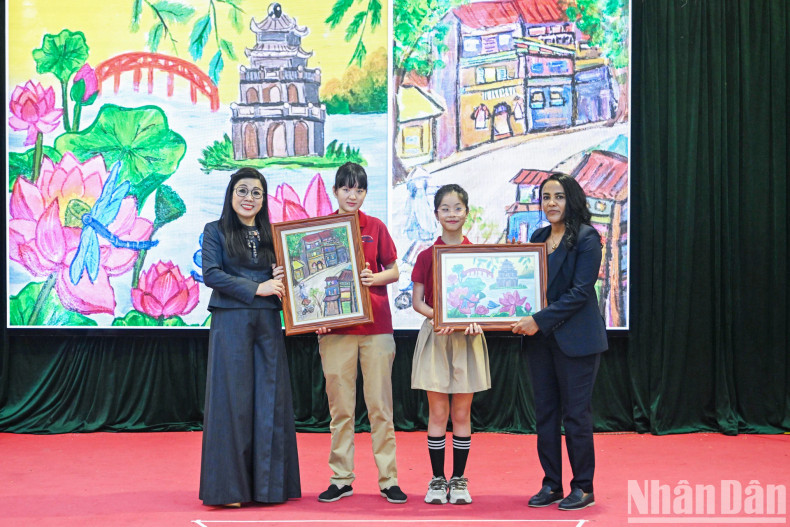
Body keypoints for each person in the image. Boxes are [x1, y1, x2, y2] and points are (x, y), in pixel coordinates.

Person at [199, 167, 301, 507]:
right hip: (231, 322)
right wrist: (257, 287)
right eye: (242, 191)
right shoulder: (214, 231)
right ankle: (229, 491)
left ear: (263, 199)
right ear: (231, 195)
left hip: (268, 323)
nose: (249, 198)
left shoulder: (273, 235)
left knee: (269, 400)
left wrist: (282, 275)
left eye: (256, 193)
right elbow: (212, 274)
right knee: (232, 403)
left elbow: (285, 279)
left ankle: (269, 489)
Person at [510, 173, 608, 511]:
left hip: (577, 341)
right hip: (541, 342)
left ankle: (583, 486)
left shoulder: (587, 238)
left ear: (573, 200)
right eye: (546, 197)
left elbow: (580, 293)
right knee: (546, 416)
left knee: (576, 416)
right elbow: (528, 287)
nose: (551, 203)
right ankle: (551, 483)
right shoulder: (538, 236)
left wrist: (537, 320)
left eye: (559, 197)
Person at [315, 162, 407, 504]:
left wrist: (375, 279)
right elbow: (306, 285)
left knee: (381, 407)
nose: (352, 195)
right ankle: (341, 478)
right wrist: (313, 318)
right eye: (346, 188)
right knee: (341, 410)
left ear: (365, 193)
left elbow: (395, 269)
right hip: (335, 331)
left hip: (376, 328)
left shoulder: (376, 227)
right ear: (335, 191)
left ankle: (389, 479)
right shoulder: (321, 229)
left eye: (359, 189)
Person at [410, 184, 490, 505]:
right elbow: (417, 301)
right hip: (437, 335)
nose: (452, 214)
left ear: (466, 212)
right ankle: (437, 480)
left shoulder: (479, 255)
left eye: (458, 208)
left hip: (468, 339)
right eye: (445, 208)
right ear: (436, 214)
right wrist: (437, 317)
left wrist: (477, 319)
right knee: (438, 412)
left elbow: (486, 303)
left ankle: (458, 480)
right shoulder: (425, 256)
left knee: (461, 412)